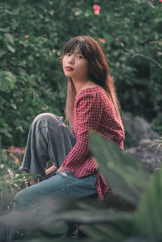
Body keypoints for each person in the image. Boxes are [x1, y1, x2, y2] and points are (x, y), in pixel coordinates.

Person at [12, 35, 125, 218]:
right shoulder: (81, 91)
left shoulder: (91, 94)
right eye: (68, 54)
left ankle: (32, 195)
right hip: (86, 162)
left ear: (92, 64)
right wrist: (53, 171)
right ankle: (34, 183)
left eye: (79, 57)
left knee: (22, 199)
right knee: (45, 120)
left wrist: (60, 171)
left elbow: (85, 144)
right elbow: (80, 144)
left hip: (97, 172)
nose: (70, 60)